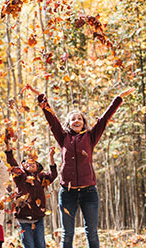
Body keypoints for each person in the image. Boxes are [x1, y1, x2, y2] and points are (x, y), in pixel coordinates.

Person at [26, 84, 135, 248]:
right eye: (73, 119)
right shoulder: (63, 138)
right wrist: (41, 97)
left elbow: (104, 119)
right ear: (68, 124)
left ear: (84, 123)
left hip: (89, 192)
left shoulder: (91, 137)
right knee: (67, 234)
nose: (76, 121)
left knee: (91, 233)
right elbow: (51, 118)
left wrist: (118, 98)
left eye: (80, 119)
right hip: (67, 193)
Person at [4, 137, 57, 248]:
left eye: (33, 163)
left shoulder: (41, 177)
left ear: (38, 167)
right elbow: (11, 162)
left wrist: (51, 157)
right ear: (23, 166)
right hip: (23, 217)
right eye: (26, 163)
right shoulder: (20, 176)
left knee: (40, 245)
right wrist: (8, 147)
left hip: (38, 216)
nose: (29, 164)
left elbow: (53, 175)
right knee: (29, 245)